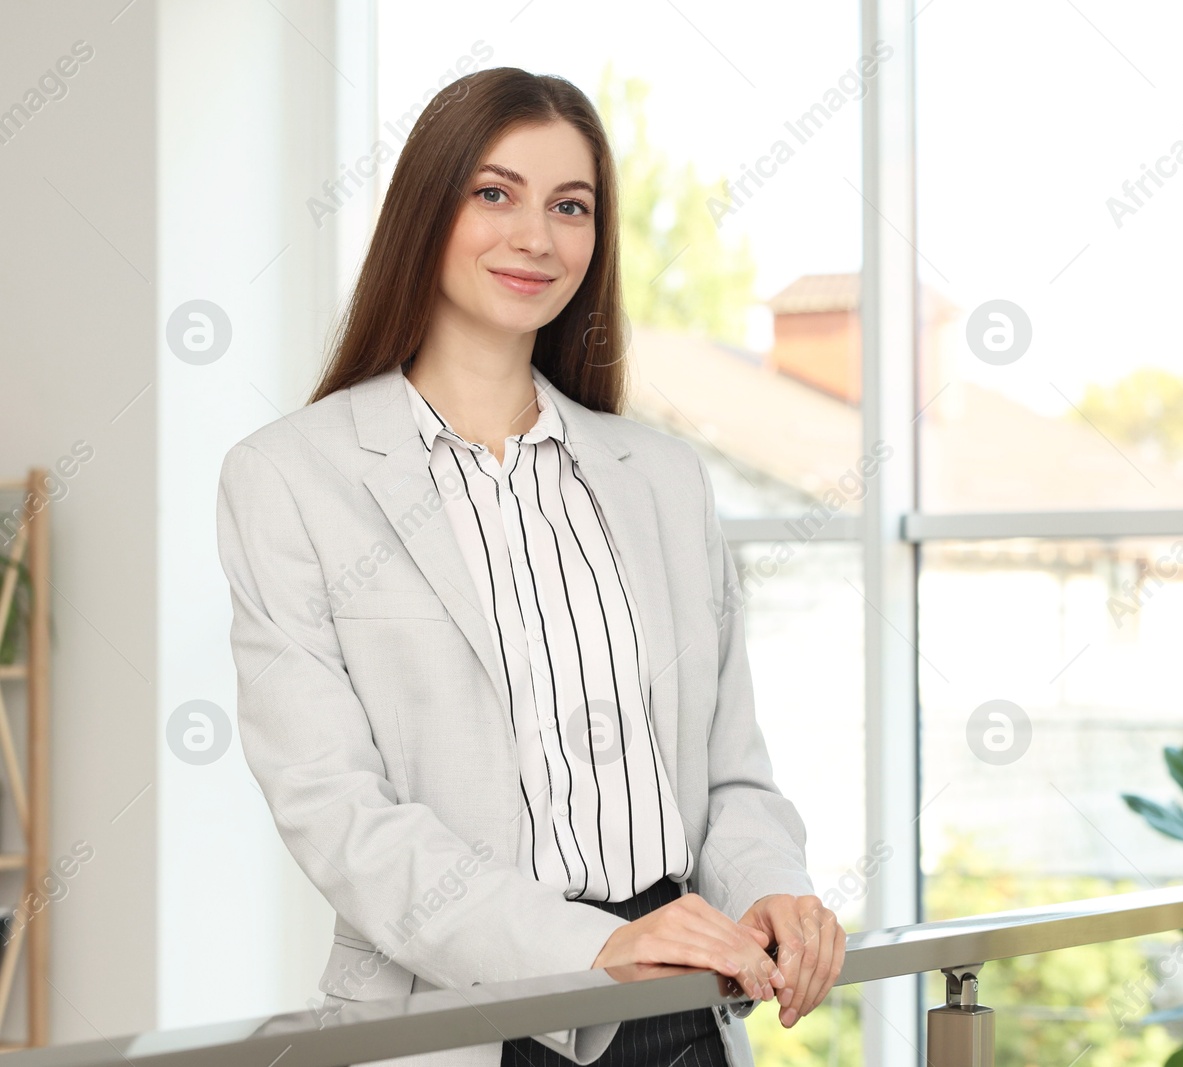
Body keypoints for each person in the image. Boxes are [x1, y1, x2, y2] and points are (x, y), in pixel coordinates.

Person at [216, 67, 843, 1067]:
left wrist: (771, 884)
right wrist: (590, 943)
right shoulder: (292, 478)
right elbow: (335, 808)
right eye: (494, 193)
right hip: (460, 1020)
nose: (536, 238)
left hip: (684, 1010)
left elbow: (733, 772)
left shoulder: (662, 479)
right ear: (427, 208)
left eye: (571, 206)